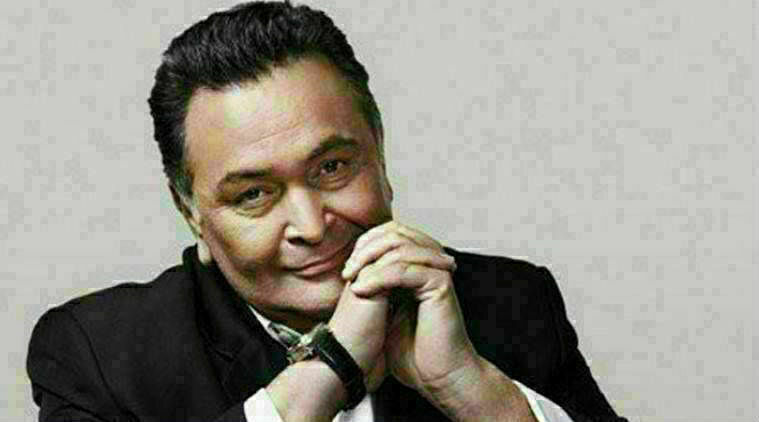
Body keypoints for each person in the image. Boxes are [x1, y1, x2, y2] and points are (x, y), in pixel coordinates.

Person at [27, 2, 627, 421]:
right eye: (253, 195)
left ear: (379, 154)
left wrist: (472, 390)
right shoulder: (98, 354)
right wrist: (329, 370)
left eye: (333, 168)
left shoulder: (513, 304)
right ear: (191, 212)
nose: (313, 227)